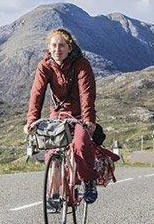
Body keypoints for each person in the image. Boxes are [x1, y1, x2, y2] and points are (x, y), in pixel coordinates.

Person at [25, 28, 100, 204]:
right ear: (49, 48)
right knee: (51, 151)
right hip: (58, 112)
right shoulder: (45, 65)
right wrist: (31, 120)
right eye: (54, 45)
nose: (57, 49)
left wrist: (88, 120)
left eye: (62, 45)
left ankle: (89, 181)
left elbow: (86, 94)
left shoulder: (82, 64)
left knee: (81, 144)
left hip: (80, 113)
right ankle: (54, 191)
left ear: (69, 47)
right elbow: (37, 94)